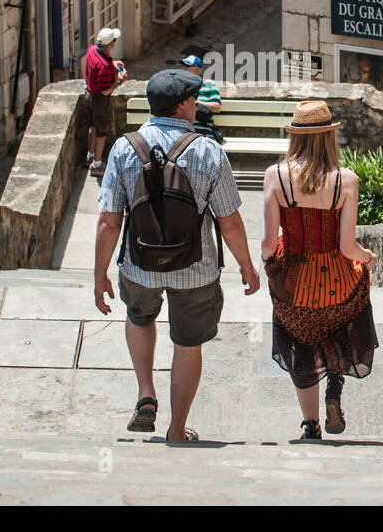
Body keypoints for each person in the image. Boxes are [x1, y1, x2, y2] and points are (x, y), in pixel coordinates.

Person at [94, 68, 261, 442]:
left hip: (139, 266)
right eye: (194, 98)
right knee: (187, 343)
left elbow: (109, 221)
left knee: (139, 317)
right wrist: (246, 266)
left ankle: (145, 395)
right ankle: (176, 429)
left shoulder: (124, 147)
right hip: (196, 269)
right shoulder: (208, 151)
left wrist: (99, 273)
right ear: (184, 105)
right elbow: (229, 221)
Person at [261, 100, 379, 440]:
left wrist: (272, 268)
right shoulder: (346, 180)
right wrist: (367, 258)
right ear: (329, 137)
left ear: (294, 138)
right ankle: (335, 386)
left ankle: (311, 424)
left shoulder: (275, 176)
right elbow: (347, 247)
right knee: (342, 314)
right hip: (337, 281)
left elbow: (269, 243)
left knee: (301, 339)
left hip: (295, 281)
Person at [84, 27, 126, 174]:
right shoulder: (104, 67)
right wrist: (120, 81)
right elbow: (105, 90)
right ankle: (97, 165)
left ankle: (90, 155)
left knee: (92, 126)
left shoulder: (92, 49)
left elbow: (101, 61)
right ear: (110, 45)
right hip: (99, 101)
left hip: (89, 94)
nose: (115, 42)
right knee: (102, 133)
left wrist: (112, 63)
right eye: (114, 40)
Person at [178, 54, 222, 141]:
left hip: (203, 132)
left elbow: (217, 107)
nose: (183, 68)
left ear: (197, 70)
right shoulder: (179, 85)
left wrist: (194, 103)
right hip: (183, 131)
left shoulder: (208, 84)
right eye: (182, 65)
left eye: (187, 66)